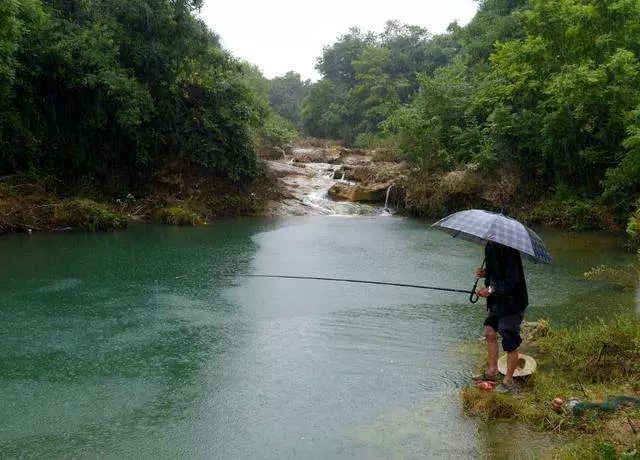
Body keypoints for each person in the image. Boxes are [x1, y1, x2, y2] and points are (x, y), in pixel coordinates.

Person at [474, 241, 528, 393]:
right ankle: (492, 371)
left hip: (513, 303)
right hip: (497, 302)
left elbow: (512, 281)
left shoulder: (511, 250)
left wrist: (490, 289)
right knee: (489, 330)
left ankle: (508, 380)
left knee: (509, 339)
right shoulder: (489, 246)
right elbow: (494, 272)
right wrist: (484, 273)